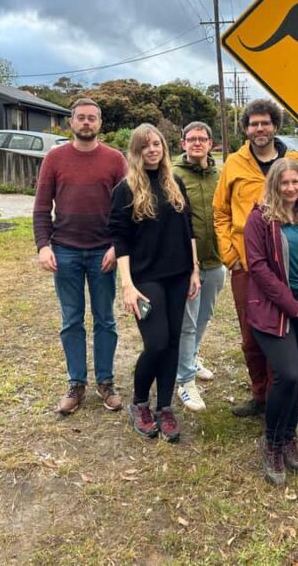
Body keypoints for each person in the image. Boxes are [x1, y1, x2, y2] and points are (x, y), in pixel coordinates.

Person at [34, 98, 127, 415]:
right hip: (66, 251)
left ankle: (106, 381)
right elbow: (41, 207)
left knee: (106, 320)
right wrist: (43, 246)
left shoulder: (115, 160)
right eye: (81, 118)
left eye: (92, 118)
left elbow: (125, 210)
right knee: (71, 320)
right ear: (71, 123)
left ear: (100, 124)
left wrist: (118, 247)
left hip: (104, 252)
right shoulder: (55, 159)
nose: (87, 123)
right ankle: (76, 384)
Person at [213, 98, 298, 417]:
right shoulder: (234, 164)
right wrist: (230, 255)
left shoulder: (293, 161)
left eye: (265, 122)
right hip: (247, 268)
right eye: (253, 124)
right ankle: (261, 396)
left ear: (275, 126)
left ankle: (281, 395)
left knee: (284, 334)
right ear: (246, 129)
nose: (259, 128)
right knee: (252, 338)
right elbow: (220, 212)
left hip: (288, 269)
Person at [109, 123, 200, 443]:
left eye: (156, 144)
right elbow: (119, 239)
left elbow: (188, 228)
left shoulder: (174, 182)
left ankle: (165, 407)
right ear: (135, 151)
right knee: (157, 342)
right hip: (146, 278)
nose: (152, 150)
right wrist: (127, 285)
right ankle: (140, 403)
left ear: (163, 147)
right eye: (144, 146)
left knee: (174, 341)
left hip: (179, 273)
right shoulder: (126, 188)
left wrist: (194, 270)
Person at [245, 159, 298, 486]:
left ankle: (288, 439)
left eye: (296, 182)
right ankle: (271, 443)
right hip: (271, 309)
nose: (290, 188)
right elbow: (257, 267)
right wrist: (289, 304)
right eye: (284, 183)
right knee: (287, 374)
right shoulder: (260, 219)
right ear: (274, 185)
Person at [172, 121, 225, 412]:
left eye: (201, 139)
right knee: (187, 323)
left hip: (215, 260)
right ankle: (185, 380)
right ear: (183, 143)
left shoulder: (220, 174)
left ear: (210, 143)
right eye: (191, 139)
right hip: (185, 265)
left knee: (204, 316)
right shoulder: (172, 174)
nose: (196, 143)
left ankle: (190, 358)